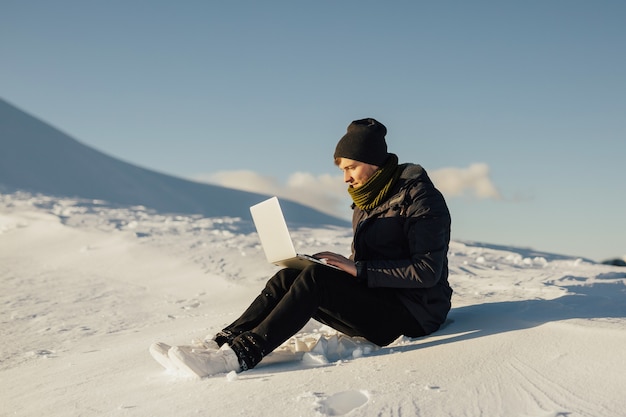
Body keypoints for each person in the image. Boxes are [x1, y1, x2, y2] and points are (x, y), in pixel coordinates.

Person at [150, 118, 452, 377]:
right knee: (290, 276)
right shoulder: (367, 203)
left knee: (316, 281)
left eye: (352, 167)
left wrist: (356, 269)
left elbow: (426, 272)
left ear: (373, 161)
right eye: (342, 170)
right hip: (380, 301)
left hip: (414, 314)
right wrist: (342, 267)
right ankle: (218, 344)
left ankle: (240, 355)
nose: (346, 177)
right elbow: (371, 261)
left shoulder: (421, 199)